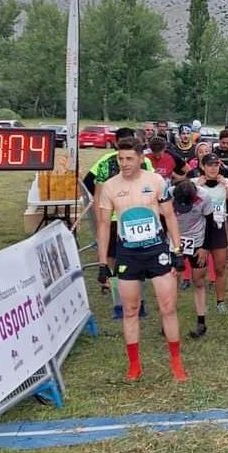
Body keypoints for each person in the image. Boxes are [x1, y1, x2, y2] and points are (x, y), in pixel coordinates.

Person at [96, 137, 188, 382]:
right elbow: (104, 225)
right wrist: (103, 263)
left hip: (157, 250)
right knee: (130, 310)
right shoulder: (110, 186)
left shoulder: (156, 181)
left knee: (168, 307)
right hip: (128, 254)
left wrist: (177, 251)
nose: (124, 163)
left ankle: (176, 362)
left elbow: (170, 216)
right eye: (120, 159)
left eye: (129, 158)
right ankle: (134, 365)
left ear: (140, 158)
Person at [87, 128, 154, 320]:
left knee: (138, 261)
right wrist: (100, 221)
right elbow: (97, 193)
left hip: (136, 219)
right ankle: (118, 303)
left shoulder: (145, 162)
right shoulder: (105, 162)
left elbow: (151, 190)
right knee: (113, 262)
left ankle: (140, 302)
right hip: (113, 219)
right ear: (116, 144)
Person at [187, 153, 228, 315]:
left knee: (220, 268)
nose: (213, 168)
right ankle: (200, 302)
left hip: (218, 228)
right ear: (202, 166)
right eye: (209, 165)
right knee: (199, 272)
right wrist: (197, 188)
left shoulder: (225, 182)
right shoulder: (194, 182)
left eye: (216, 165)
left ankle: (220, 302)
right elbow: (186, 207)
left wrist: (227, 186)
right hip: (199, 230)